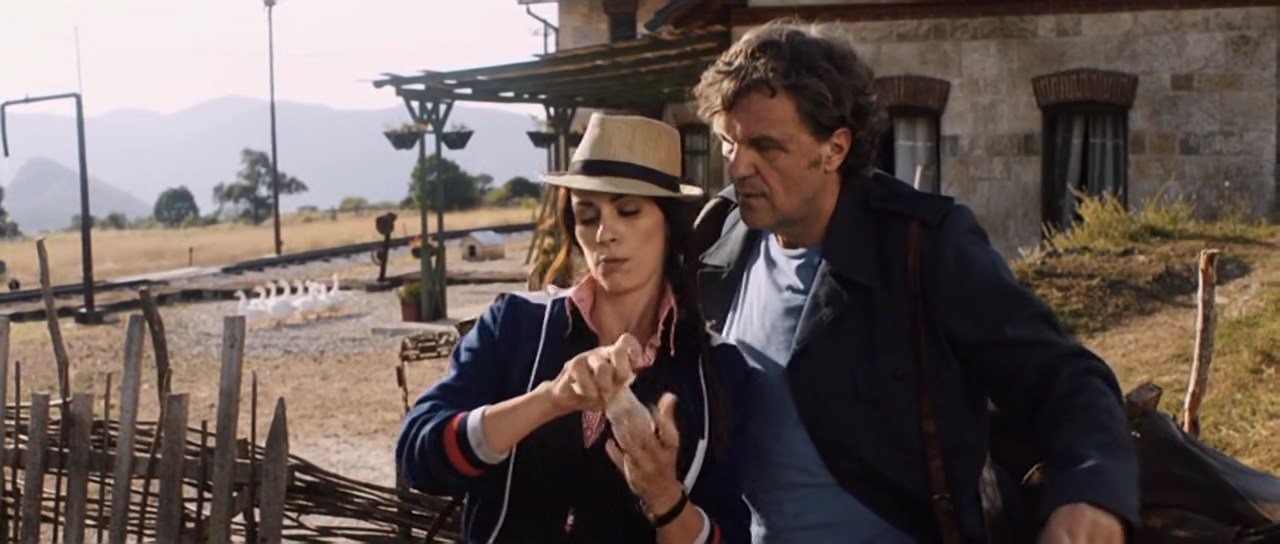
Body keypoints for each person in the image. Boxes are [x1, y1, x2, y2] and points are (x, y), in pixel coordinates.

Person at [690, 20, 1139, 543]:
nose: (737, 167)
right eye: (728, 143)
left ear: (834, 149)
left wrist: (1090, 492)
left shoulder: (923, 246)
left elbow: (1062, 377)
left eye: (765, 147)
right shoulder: (716, 235)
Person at [397, 113, 753, 543]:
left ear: (670, 224)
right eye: (587, 216)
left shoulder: (716, 368)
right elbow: (418, 458)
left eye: (628, 211)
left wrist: (663, 496)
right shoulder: (516, 325)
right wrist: (549, 400)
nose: (605, 233)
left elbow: (730, 535)